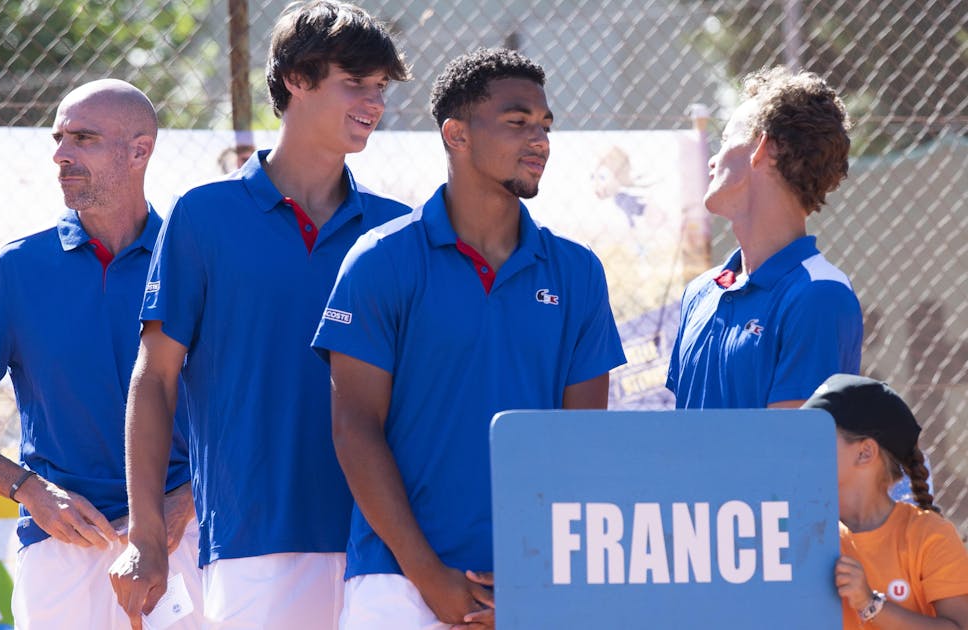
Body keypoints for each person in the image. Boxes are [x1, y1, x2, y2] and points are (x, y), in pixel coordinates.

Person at [107, 2, 411, 628]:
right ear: (296, 79)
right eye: (356, 82)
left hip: (386, 544)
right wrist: (146, 535)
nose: (374, 102)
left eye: (381, 87)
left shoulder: (395, 231)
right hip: (253, 540)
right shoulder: (203, 216)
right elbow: (155, 377)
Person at [311, 47, 628, 629]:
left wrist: (540, 579)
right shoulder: (381, 260)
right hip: (396, 581)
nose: (540, 140)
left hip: (532, 584)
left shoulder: (578, 272)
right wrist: (429, 577)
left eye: (545, 125)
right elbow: (354, 428)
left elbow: (581, 444)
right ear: (456, 133)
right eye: (517, 122)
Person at [0, 79, 203, 629]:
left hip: (186, 536)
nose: (60, 155)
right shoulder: (18, 269)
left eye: (84, 138)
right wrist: (31, 490)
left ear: (140, 150)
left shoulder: (196, 263)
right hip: (61, 546)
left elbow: (260, 409)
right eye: (59, 138)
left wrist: (187, 501)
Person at [666, 66, 863, 409]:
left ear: (764, 148)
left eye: (726, 140)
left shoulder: (819, 295)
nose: (713, 159)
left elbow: (790, 453)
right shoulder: (700, 291)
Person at [800, 374, 968, 628]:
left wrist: (870, 604)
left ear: (865, 452)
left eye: (819, 435)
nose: (803, 447)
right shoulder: (801, 532)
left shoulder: (929, 534)